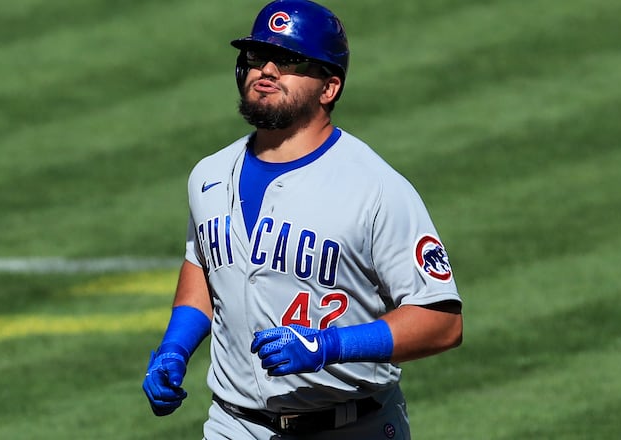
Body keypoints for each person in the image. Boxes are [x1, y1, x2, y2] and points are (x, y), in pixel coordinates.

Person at [142, 1, 463, 438]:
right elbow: (204, 264)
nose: (267, 70)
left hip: (352, 426)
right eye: (256, 57)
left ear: (329, 88)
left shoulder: (375, 189)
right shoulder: (210, 175)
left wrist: (329, 346)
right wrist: (174, 348)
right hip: (234, 426)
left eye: (290, 61)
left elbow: (442, 321)